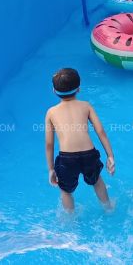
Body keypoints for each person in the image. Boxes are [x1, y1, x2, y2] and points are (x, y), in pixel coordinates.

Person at [45, 68, 116, 212]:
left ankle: (70, 219)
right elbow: (100, 131)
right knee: (97, 181)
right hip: (89, 153)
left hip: (67, 158)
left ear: (54, 91)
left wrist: (51, 169)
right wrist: (110, 156)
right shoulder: (86, 106)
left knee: (65, 190)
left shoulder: (51, 112)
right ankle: (108, 208)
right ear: (79, 88)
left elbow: (49, 144)